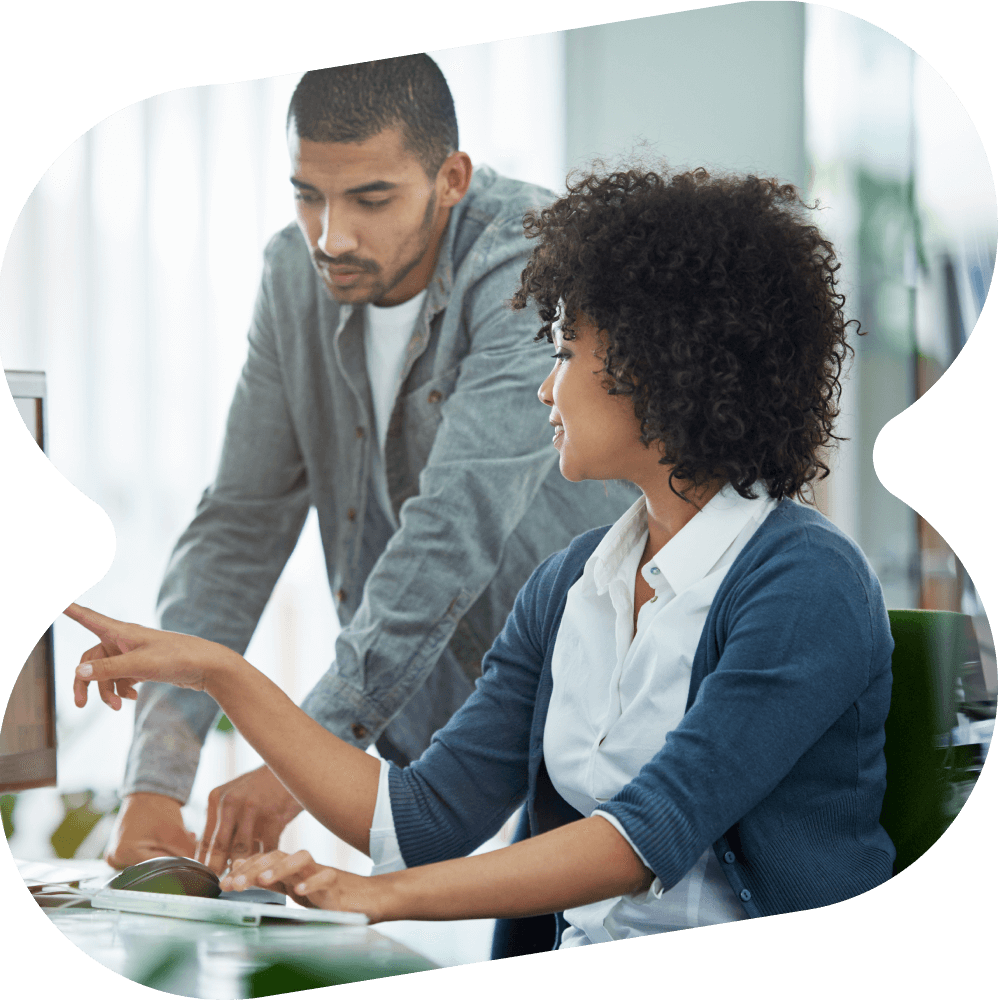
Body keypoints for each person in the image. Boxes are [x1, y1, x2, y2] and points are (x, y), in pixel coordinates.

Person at [68, 162, 896, 948]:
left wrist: (377, 896)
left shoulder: (805, 582)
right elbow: (424, 817)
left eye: (567, 353)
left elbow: (644, 836)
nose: (546, 386)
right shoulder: (572, 582)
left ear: (660, 366)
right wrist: (220, 672)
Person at [107, 56, 635, 957]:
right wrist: (155, 779)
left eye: (373, 199)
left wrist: (304, 749)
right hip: (450, 733)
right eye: (308, 195)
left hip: (598, 693)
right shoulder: (292, 276)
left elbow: (455, 522)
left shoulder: (529, 254)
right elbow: (239, 522)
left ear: (451, 178)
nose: (332, 236)